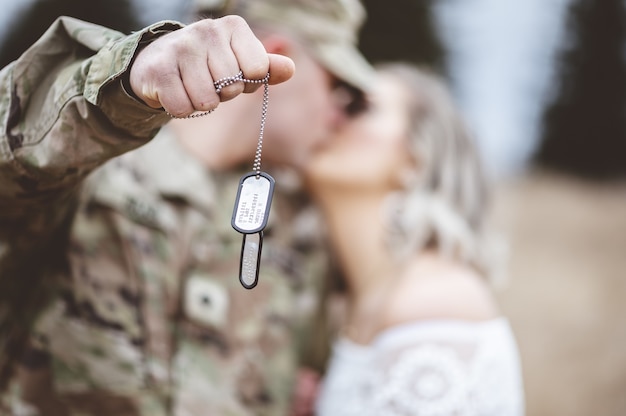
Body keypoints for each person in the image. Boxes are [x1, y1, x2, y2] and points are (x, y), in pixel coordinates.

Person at [0, 0, 374, 414]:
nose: (340, 115)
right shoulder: (88, 166)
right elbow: (15, 151)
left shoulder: (299, 228)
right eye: (338, 87)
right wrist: (125, 77)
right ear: (276, 56)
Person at [303, 63, 525, 415]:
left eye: (360, 106)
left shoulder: (435, 301)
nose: (332, 114)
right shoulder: (349, 305)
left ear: (417, 159)